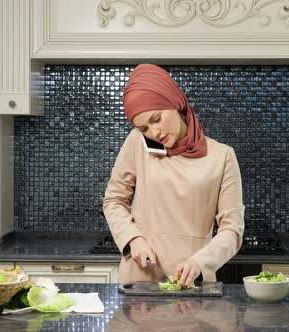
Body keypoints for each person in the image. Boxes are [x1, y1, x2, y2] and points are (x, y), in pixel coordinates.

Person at [103, 64, 245, 288]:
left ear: (175, 102)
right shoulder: (137, 143)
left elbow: (233, 230)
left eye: (156, 118)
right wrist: (133, 239)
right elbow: (114, 200)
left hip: (192, 282)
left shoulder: (222, 156)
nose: (154, 132)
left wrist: (200, 262)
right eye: (144, 128)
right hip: (139, 277)